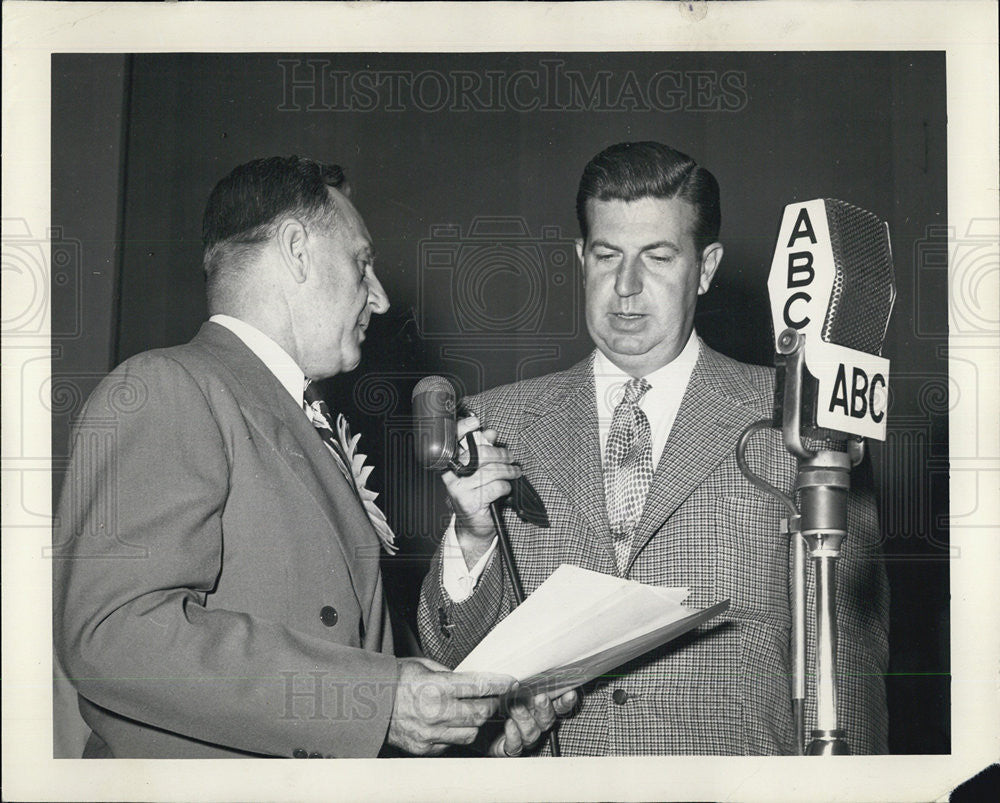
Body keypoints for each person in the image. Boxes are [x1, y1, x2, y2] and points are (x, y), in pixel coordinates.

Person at [53, 155, 559, 758]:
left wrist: (472, 726)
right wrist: (372, 702)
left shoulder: (297, 416)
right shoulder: (169, 385)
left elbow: (354, 663)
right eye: (362, 262)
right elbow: (115, 636)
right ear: (296, 250)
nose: (381, 297)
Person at [418, 141, 889, 756]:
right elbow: (450, 665)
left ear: (707, 266)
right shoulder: (499, 422)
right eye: (607, 255)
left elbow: (848, 666)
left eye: (658, 257)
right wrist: (472, 539)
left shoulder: (799, 419)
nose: (626, 287)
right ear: (580, 258)